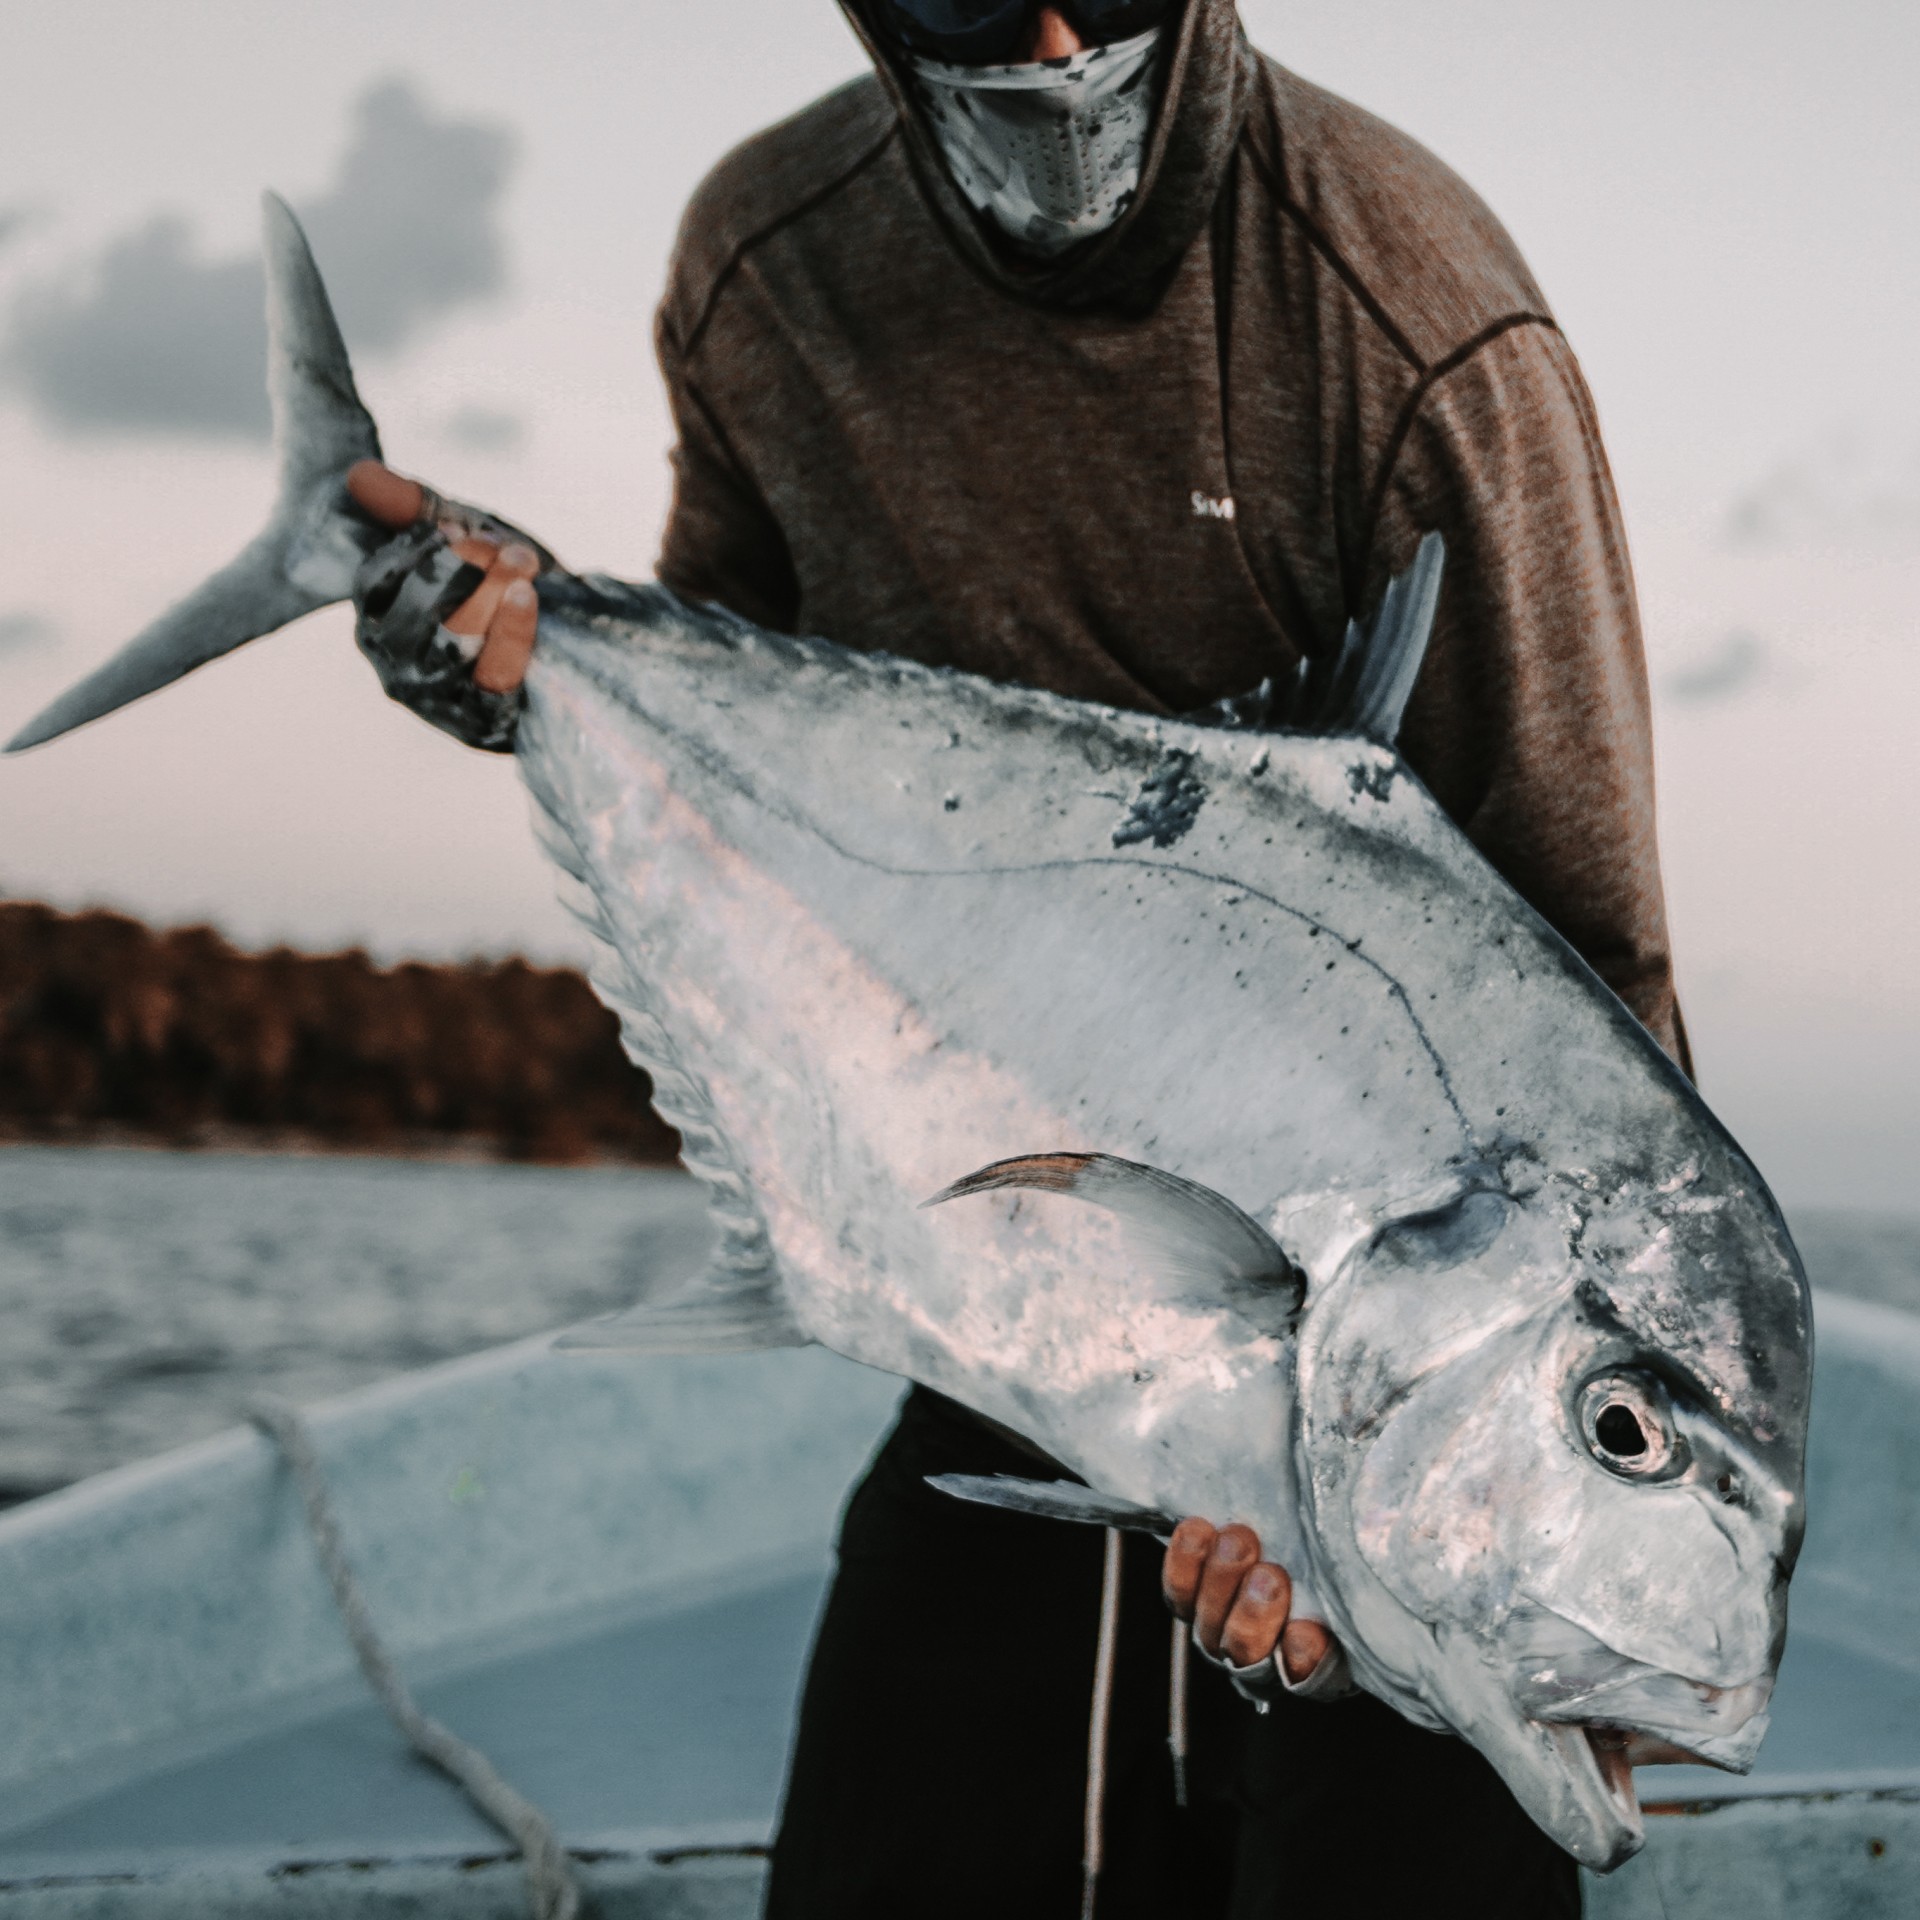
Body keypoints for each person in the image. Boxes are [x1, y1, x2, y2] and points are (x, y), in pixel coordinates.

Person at [348, 2, 1690, 1912]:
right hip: (1009, 1307)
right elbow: (721, 678)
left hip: (1395, 1347)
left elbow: (1596, 986)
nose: (1054, 37)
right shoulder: (769, 261)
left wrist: (1567, 1540)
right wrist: (527, 663)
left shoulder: (1419, 329)